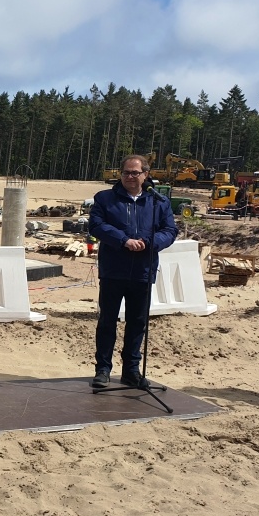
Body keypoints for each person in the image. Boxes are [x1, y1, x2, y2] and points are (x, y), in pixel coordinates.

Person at [88, 154, 178, 389]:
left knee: (137, 322)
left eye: (135, 173)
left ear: (146, 174)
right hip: (113, 270)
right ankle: (103, 370)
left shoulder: (158, 201)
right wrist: (124, 240)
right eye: (126, 172)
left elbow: (170, 230)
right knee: (108, 321)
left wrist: (149, 242)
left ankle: (131, 370)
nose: (130, 177)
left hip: (143, 270)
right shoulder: (105, 199)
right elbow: (96, 225)